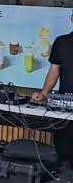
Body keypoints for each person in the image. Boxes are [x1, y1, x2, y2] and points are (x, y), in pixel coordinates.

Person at [30, 9, 73, 168]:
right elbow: (54, 71)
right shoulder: (62, 42)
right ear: (72, 18)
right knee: (64, 149)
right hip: (64, 108)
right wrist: (44, 94)